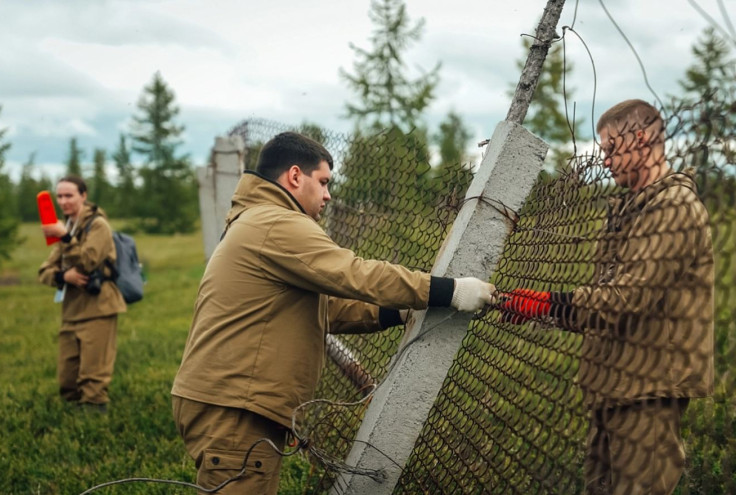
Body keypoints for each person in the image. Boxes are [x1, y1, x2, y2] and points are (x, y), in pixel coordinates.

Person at [171, 131, 495, 494]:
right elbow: (355, 273)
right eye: (323, 182)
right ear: (295, 176)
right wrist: (450, 290)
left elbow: (328, 310)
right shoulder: (277, 223)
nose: (327, 195)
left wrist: (401, 311)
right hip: (234, 408)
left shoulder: (256, 219)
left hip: (228, 398)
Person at [500, 99, 714, 495]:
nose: (607, 161)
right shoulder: (631, 208)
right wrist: (544, 310)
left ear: (641, 139)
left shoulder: (673, 208)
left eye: (612, 149)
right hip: (616, 385)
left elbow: (623, 300)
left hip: (648, 387)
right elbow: (602, 303)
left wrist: (548, 303)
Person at [38, 175, 127, 414]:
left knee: (93, 374)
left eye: (69, 195)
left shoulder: (98, 225)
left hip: (99, 307)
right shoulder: (66, 225)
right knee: (67, 378)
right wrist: (62, 277)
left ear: (83, 196)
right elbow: (44, 270)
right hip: (71, 310)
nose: (64, 201)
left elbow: (87, 262)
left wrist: (66, 238)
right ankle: (70, 414)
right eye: (60, 196)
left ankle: (94, 419)